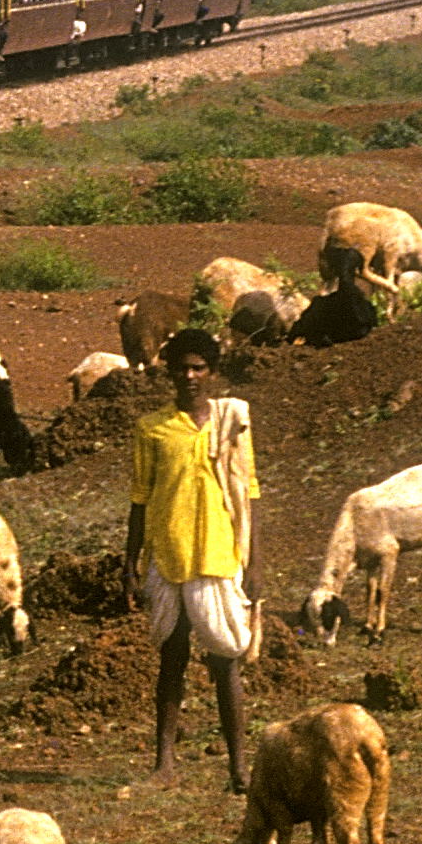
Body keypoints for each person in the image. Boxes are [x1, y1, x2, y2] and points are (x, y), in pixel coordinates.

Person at [124, 326, 258, 788]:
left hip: (218, 554)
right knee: (172, 657)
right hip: (168, 554)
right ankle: (164, 766)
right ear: (169, 373)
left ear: (213, 372)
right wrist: (130, 562)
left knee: (225, 660)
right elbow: (140, 499)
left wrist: (254, 564)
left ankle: (238, 768)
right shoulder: (152, 429)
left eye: (199, 367)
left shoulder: (233, 423)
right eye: (182, 367)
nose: (190, 375)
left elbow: (248, 492)